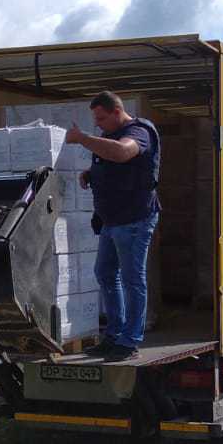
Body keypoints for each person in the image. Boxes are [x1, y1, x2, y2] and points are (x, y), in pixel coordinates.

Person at [65, 90, 160, 362]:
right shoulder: (109, 134)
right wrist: (90, 174)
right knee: (105, 273)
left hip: (134, 219)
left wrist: (82, 139)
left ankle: (130, 340)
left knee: (132, 279)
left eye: (101, 118)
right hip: (111, 219)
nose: (98, 124)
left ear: (117, 112)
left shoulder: (139, 131)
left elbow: (123, 154)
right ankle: (114, 334)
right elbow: (112, 164)